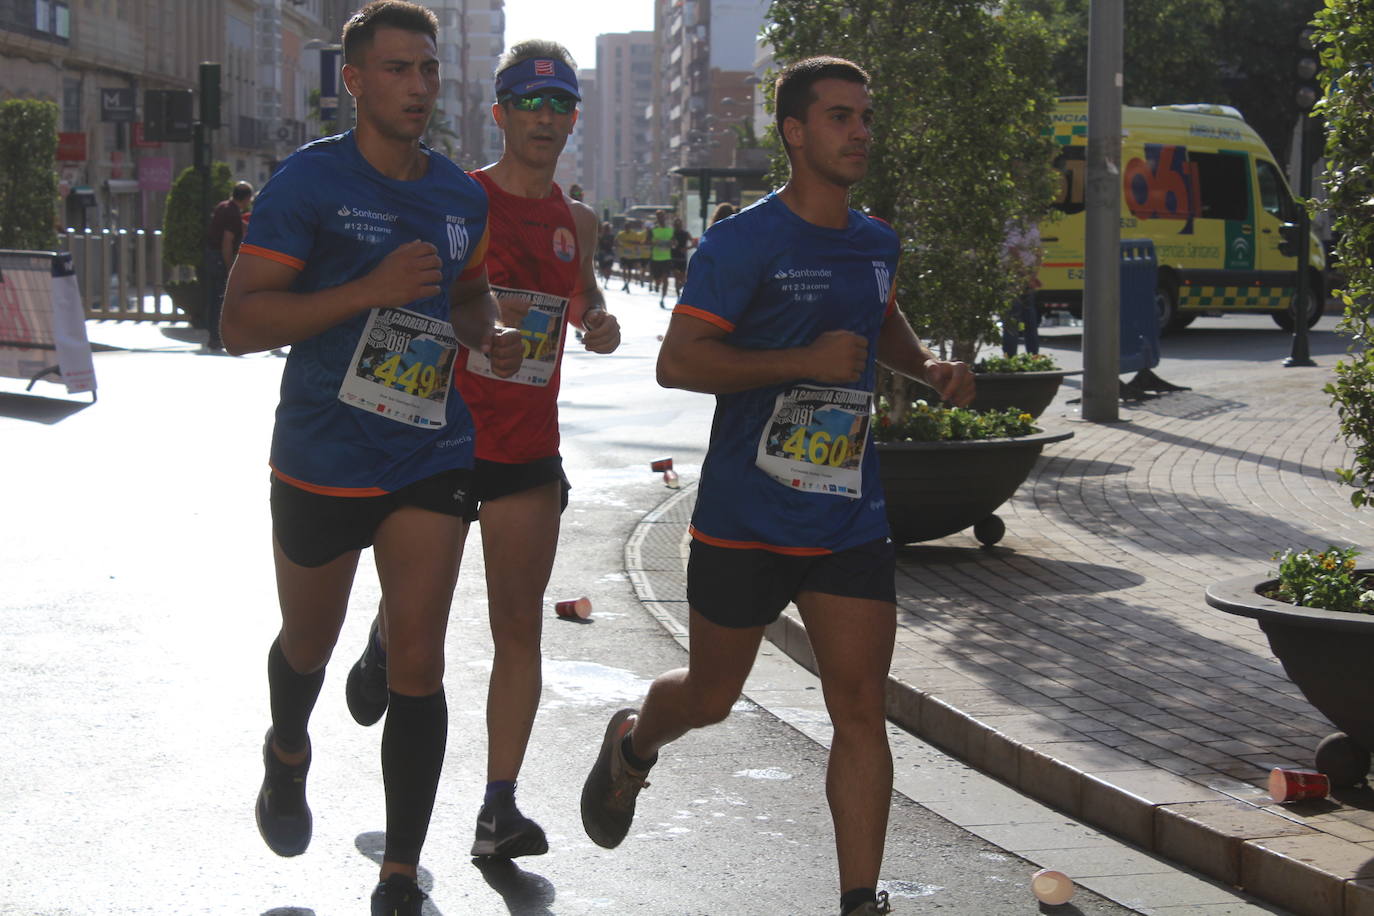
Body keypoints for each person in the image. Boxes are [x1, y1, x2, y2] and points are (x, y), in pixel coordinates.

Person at [578, 57, 974, 916]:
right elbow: (679, 361)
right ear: (795, 133)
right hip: (745, 517)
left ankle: (860, 899)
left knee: (861, 705)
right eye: (840, 117)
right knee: (711, 698)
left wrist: (925, 363)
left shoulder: (875, 241)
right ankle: (635, 741)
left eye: (865, 116)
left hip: (847, 514)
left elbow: (881, 316)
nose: (860, 130)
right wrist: (800, 360)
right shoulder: (742, 243)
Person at [219, 3, 522, 914]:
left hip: (428, 448)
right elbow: (239, 323)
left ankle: (399, 873)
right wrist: (367, 291)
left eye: (428, 70)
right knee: (308, 642)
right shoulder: (306, 185)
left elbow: (466, 298)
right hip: (320, 450)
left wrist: (491, 333)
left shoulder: (458, 195)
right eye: (399, 70)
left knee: (418, 659)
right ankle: (286, 750)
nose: (420, 87)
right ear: (353, 79)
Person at [343, 38, 620, 863]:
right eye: (528, 104)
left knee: (518, 629)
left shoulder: (579, 221)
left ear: (574, 117)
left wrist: (596, 320)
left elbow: (586, 296)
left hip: (529, 449)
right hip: (444, 440)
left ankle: (499, 807)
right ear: (498, 113)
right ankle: (389, 631)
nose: (545, 118)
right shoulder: (457, 199)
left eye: (560, 105)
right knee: (425, 613)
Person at [203, 180, 253, 351]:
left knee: (214, 298)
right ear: (247, 198)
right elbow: (227, 241)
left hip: (210, 255)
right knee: (219, 300)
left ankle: (213, 336)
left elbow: (237, 225)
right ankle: (216, 337)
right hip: (218, 258)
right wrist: (230, 267)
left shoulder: (224, 206)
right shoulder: (232, 213)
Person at [1001, 219, 1042, 356]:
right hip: (1026, 274)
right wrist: (1032, 276)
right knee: (1029, 318)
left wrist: (1027, 276)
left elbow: (1012, 249)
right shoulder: (1032, 225)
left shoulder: (1013, 223)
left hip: (1014, 275)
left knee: (1012, 319)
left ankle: (1010, 357)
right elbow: (1039, 252)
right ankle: (1033, 355)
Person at [649, 209, 675, 307]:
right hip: (656, 258)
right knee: (658, 280)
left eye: (662, 216)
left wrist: (673, 243)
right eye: (659, 216)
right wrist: (653, 243)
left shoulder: (670, 229)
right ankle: (656, 284)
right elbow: (647, 242)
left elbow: (674, 242)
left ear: (665, 217)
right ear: (657, 218)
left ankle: (662, 299)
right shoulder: (653, 230)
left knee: (666, 279)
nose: (661, 218)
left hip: (667, 258)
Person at [669, 215, 692, 296]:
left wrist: (687, 248)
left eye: (679, 224)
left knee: (682, 278)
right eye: (676, 224)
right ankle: (678, 295)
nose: (677, 226)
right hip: (674, 257)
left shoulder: (685, 233)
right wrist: (672, 244)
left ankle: (680, 289)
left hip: (682, 258)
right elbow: (668, 243)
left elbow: (693, 243)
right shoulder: (671, 233)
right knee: (676, 277)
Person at [614, 219, 639, 292]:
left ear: (630, 227)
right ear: (624, 227)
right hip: (623, 255)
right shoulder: (621, 234)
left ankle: (627, 283)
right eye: (626, 227)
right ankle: (625, 282)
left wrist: (632, 242)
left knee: (630, 271)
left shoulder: (634, 234)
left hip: (631, 255)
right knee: (624, 269)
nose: (627, 228)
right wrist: (619, 245)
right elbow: (615, 242)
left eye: (628, 226)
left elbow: (638, 242)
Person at [596, 220, 616, 288]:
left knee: (608, 268)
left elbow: (613, 244)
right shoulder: (600, 236)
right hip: (602, 253)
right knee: (603, 268)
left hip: (609, 253)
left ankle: (606, 282)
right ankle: (602, 274)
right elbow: (598, 244)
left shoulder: (612, 236)